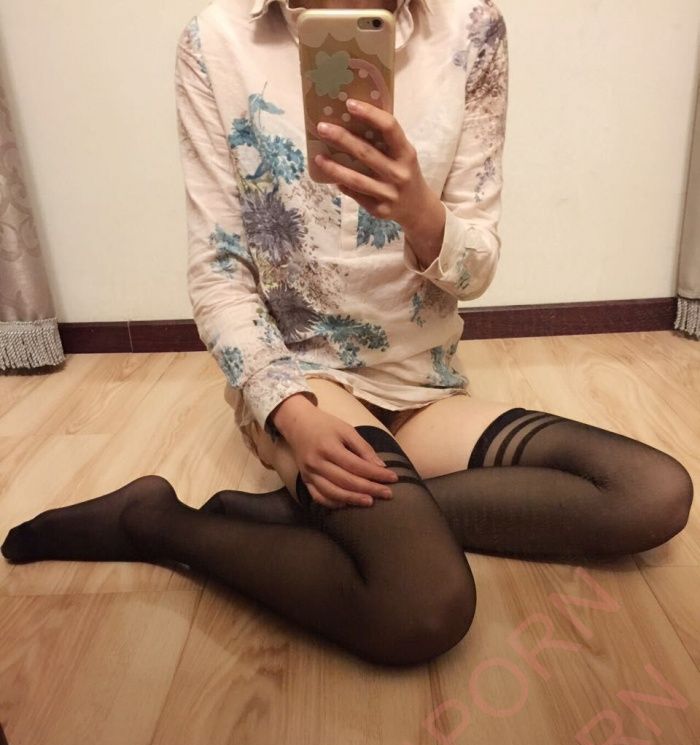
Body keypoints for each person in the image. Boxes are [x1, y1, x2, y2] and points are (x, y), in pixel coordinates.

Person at [1, 0, 694, 668]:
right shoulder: (215, 42)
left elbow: (476, 268)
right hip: (304, 383)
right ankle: (152, 522)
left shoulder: (472, 26)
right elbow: (219, 275)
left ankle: (288, 515)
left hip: (423, 389)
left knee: (649, 492)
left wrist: (422, 213)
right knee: (423, 604)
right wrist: (290, 414)